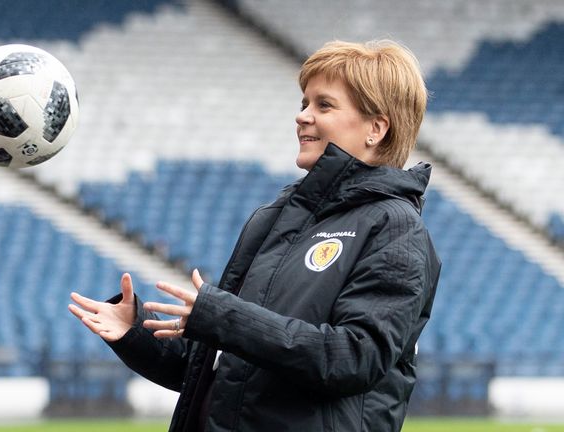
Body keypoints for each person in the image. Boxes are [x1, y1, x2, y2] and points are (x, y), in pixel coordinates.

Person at [68, 39, 441, 432]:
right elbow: (224, 373)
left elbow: (353, 357)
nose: (303, 116)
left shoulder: (395, 227)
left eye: (323, 105)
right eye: (304, 104)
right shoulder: (274, 218)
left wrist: (223, 317)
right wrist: (135, 332)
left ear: (376, 128)